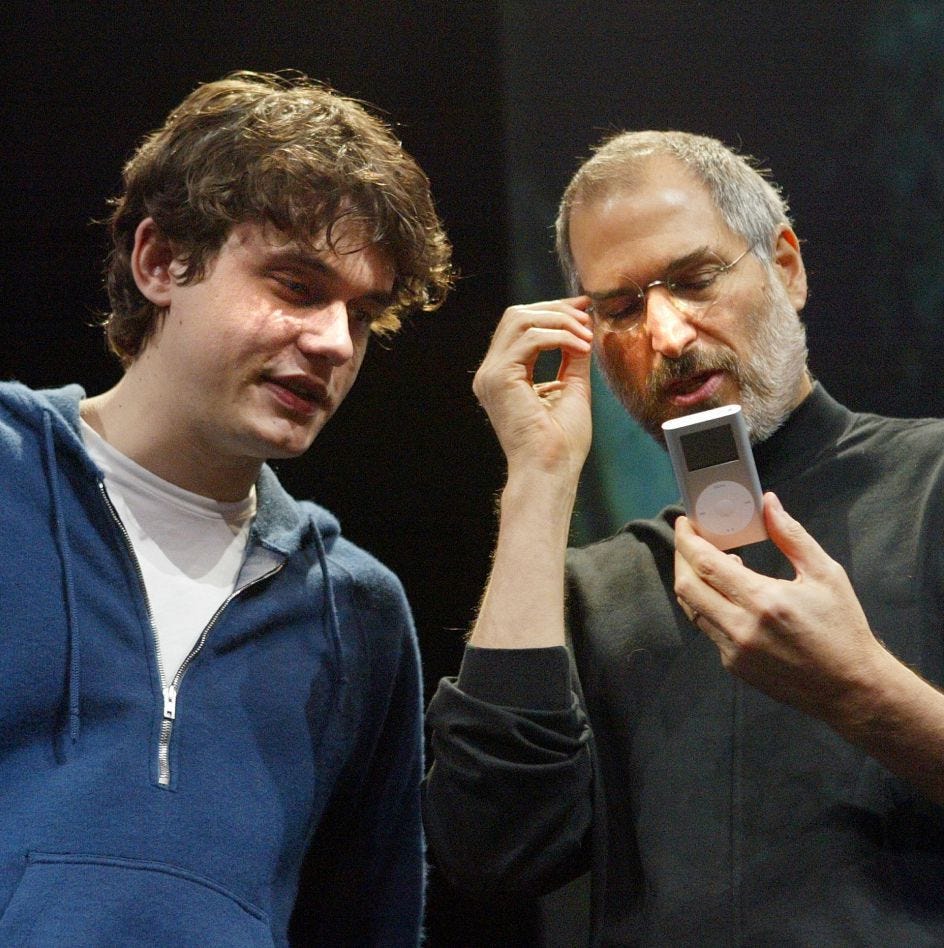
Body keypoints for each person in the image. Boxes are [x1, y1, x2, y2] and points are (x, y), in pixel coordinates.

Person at [424, 130, 944, 945]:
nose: (666, 334)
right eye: (622, 309)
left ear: (787, 267)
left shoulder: (932, 485)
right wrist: (538, 478)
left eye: (697, 280)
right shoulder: (599, 591)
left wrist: (864, 692)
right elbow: (492, 854)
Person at [0, 71, 452, 946]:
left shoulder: (356, 614)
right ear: (161, 261)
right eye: (295, 286)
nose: (331, 343)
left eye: (361, 316)